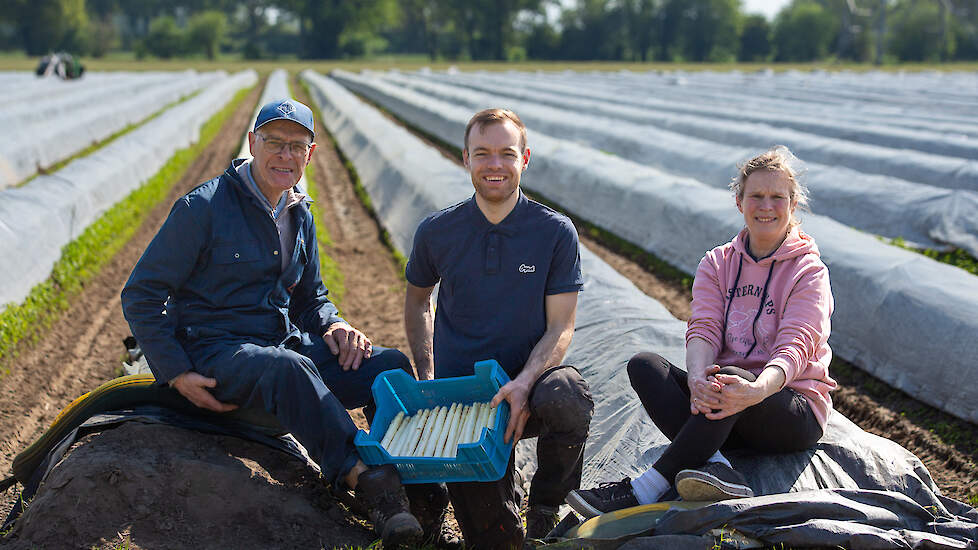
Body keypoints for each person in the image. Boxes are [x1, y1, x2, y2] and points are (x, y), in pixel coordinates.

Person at [121, 99, 423, 547]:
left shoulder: (300, 213)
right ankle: (370, 485)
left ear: (311, 153)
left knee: (388, 366)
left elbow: (310, 298)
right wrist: (177, 372)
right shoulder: (203, 208)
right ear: (251, 144)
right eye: (274, 143)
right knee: (287, 367)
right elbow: (141, 293)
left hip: (281, 346)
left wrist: (334, 326)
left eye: (296, 146)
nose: (285, 155)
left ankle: (409, 476)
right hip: (217, 352)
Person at [566, 145, 836, 518]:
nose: (766, 206)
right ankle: (717, 465)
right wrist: (696, 378)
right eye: (756, 195)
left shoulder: (808, 271)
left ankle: (646, 488)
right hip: (725, 403)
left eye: (778, 197)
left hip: (787, 408)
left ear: (793, 205)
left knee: (732, 378)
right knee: (645, 366)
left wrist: (755, 389)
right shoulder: (718, 263)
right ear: (739, 201)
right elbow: (704, 329)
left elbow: (797, 345)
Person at [403, 109, 594, 548]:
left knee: (567, 395)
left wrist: (526, 382)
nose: (495, 164)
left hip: (531, 385)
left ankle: (547, 510)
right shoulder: (437, 231)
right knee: (495, 541)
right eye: (482, 153)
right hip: (465, 398)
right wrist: (429, 376)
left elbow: (561, 326)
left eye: (506, 153)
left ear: (524, 158)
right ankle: (485, 502)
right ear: (465, 158)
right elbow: (417, 301)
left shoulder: (553, 232)